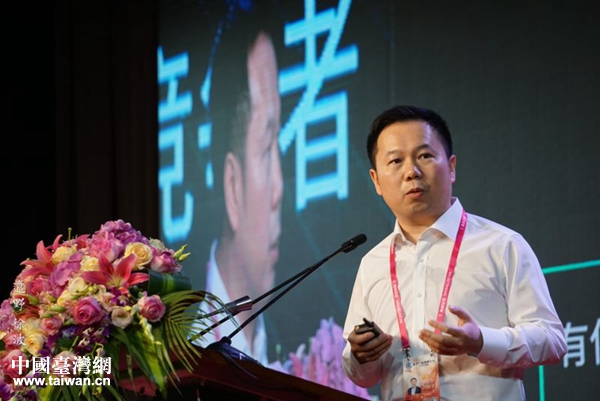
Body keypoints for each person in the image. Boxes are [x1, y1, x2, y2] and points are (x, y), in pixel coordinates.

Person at [342, 105, 567, 400]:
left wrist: (481, 341)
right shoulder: (373, 263)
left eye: (424, 156)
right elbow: (363, 376)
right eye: (396, 160)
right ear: (376, 181)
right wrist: (360, 356)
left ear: (451, 167)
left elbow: (552, 339)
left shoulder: (501, 245)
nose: (411, 172)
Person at [192, 4, 283, 366]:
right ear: (232, 187)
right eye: (266, 148)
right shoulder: (183, 337)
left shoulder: (284, 341)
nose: (280, 189)